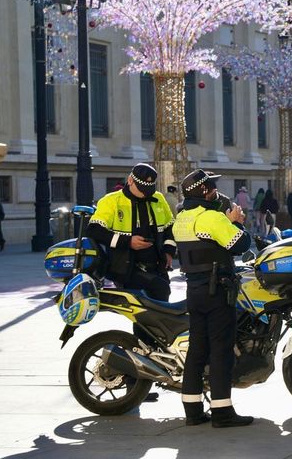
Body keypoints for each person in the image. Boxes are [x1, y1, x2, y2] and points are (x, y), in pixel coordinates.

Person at [173, 169, 254, 428]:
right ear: (205, 192)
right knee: (221, 350)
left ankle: (193, 410)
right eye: (213, 189)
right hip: (217, 290)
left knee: (197, 350)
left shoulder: (182, 219)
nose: (217, 192)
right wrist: (236, 222)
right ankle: (222, 412)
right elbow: (240, 245)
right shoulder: (210, 218)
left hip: (194, 291)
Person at [87, 163, 176, 302]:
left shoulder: (158, 198)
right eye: (142, 189)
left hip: (157, 265)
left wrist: (169, 251)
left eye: (149, 190)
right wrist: (128, 242)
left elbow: (170, 227)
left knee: (160, 300)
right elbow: (94, 231)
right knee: (158, 290)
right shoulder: (111, 201)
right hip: (126, 268)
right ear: (130, 180)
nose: (145, 194)